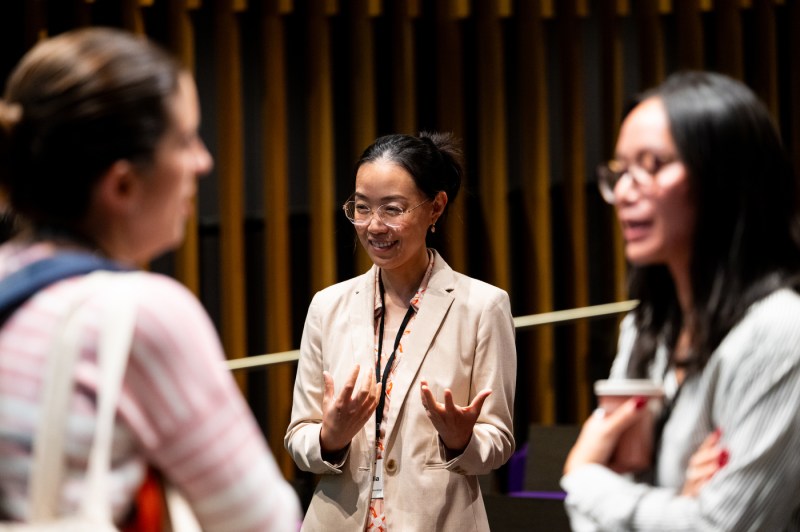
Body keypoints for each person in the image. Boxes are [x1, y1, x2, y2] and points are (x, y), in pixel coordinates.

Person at [0, 27, 301, 530]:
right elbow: (261, 521)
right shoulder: (138, 312)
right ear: (123, 184)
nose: (203, 162)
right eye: (184, 139)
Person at [561, 70, 800, 530]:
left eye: (651, 165)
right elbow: (585, 521)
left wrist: (586, 479)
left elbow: (720, 527)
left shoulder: (781, 331)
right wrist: (676, 506)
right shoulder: (647, 325)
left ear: (724, 177)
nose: (624, 192)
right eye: (619, 172)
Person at [284, 132, 516, 531]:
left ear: (435, 208)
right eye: (361, 208)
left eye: (393, 209)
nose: (374, 226)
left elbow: (497, 443)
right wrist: (330, 437)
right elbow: (298, 438)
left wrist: (461, 440)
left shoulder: (483, 306)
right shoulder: (327, 306)